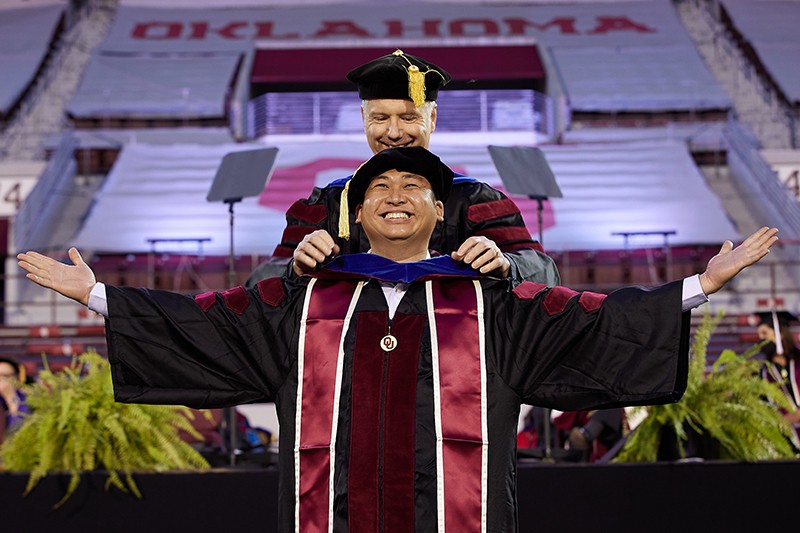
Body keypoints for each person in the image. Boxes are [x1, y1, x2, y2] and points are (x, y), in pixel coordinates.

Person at [18, 146, 778, 532]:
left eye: (413, 187)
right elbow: (207, 324)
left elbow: (591, 323)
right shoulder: (304, 298)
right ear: (356, 213)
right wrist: (94, 293)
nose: (395, 195)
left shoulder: (491, 302)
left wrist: (698, 286)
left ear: (438, 214)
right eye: (378, 187)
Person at [247, 49, 560, 287]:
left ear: (432, 119)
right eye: (380, 118)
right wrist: (294, 267)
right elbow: (261, 282)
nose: (394, 133)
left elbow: (546, 274)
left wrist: (506, 263)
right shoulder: (328, 203)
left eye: (409, 118)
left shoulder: (475, 199)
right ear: (363, 119)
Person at [755, 310, 800, 439]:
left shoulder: (797, 360)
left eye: (765, 333)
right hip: (785, 440)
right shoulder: (763, 373)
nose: (761, 339)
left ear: (780, 333)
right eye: (759, 335)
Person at [0, 357, 31, 443]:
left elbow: (20, 431)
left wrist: (10, 397)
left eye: (6, 376)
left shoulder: (27, 399)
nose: (2, 380)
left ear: (17, 378)